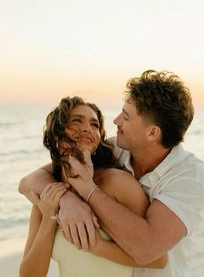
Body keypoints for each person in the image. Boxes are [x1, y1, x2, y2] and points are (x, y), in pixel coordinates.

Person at [19, 69, 204, 277]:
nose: (115, 121)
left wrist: (89, 194)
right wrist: (66, 201)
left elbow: (150, 252)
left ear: (152, 132)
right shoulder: (115, 148)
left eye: (126, 117)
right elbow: (29, 181)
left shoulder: (188, 177)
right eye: (76, 121)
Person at [19, 96, 167, 277]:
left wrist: (96, 246)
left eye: (94, 125)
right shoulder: (49, 193)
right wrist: (50, 217)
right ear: (56, 132)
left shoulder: (118, 182)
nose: (87, 129)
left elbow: (158, 259)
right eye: (76, 120)